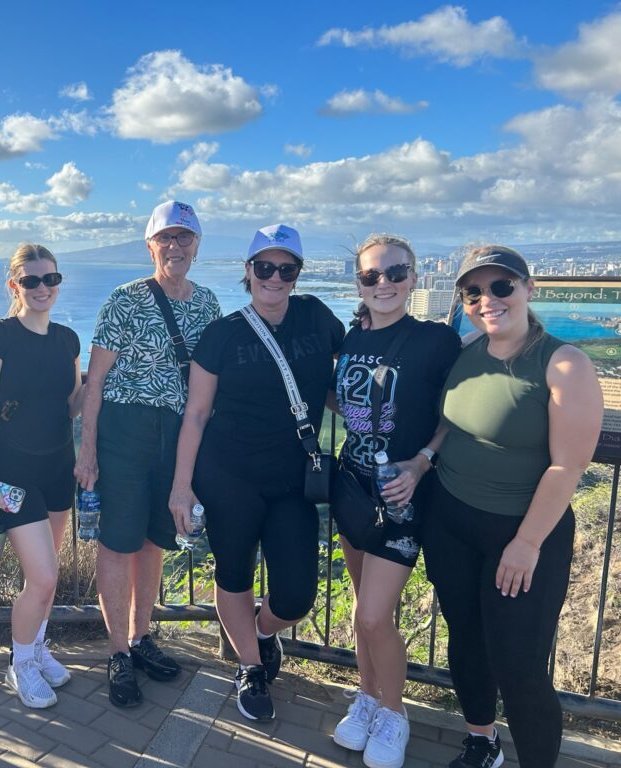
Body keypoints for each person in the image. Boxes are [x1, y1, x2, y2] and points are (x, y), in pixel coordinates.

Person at [424, 246, 602, 768]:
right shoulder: (467, 348)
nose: (487, 299)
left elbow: (567, 466)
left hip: (524, 533)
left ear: (529, 289)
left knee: (519, 664)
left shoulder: (563, 363)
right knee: (466, 640)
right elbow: (452, 421)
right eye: (474, 291)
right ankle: (481, 741)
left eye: (502, 285)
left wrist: (526, 543)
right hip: (451, 519)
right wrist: (422, 460)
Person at [169, 224, 344, 721]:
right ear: (247, 273)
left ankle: (264, 631)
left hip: (293, 480)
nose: (274, 277)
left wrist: (369, 418)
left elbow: (338, 379)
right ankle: (249, 665)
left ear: (297, 275)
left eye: (285, 269)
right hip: (228, 475)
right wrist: (182, 488)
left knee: (296, 594)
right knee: (234, 572)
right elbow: (197, 414)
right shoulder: (223, 334)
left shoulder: (316, 317)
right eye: (264, 267)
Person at [75, 201, 221, 707]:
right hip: (124, 428)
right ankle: (118, 650)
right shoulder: (125, 299)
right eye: (166, 238)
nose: (175, 247)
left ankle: (141, 638)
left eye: (185, 238)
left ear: (197, 246)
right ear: (150, 245)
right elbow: (94, 383)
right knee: (118, 542)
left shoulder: (206, 304)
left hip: (176, 432)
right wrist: (88, 450)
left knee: (154, 541)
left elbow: (209, 389)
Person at [329, 235, 461, 768]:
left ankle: (394, 711)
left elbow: (456, 409)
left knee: (375, 613)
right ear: (358, 283)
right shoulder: (351, 336)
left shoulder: (436, 341)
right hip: (353, 487)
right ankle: (366, 696)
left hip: (403, 496)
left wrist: (424, 459)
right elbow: (342, 396)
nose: (383, 283)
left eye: (395, 273)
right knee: (364, 613)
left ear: (414, 276)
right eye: (370, 276)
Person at [0, 244, 83, 709]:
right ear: (14, 284)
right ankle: (20, 664)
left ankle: (38, 648)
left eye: (50, 280)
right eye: (31, 280)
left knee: (49, 575)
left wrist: (101, 381)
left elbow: (72, 403)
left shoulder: (67, 340)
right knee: (41, 576)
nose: (42, 289)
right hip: (13, 471)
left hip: (57, 466)